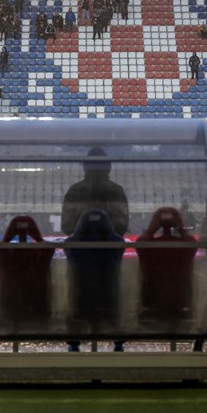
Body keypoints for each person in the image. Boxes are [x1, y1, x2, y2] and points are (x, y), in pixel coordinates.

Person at [61, 148, 129, 353]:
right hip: (105, 255)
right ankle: (116, 341)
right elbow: (123, 225)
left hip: (83, 255)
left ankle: (75, 342)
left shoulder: (76, 191)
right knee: (109, 294)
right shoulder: (115, 191)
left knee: (79, 294)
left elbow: (66, 226)